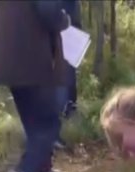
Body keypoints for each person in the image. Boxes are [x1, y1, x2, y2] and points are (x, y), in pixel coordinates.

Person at [0, 1, 71, 172]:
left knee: (34, 121)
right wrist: (64, 20)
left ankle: (41, 169)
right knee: (49, 122)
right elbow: (49, 11)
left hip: (12, 61)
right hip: (30, 60)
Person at [54, 0, 82, 151]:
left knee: (68, 74)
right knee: (61, 78)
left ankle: (69, 109)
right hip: (60, 34)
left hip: (71, 33)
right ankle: (52, 134)